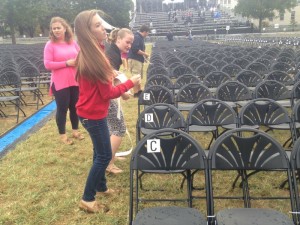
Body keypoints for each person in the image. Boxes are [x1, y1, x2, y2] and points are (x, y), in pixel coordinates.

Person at [74, 10, 141, 213]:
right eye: (96, 25)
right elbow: (108, 94)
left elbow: (98, 86)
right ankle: (88, 198)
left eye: (101, 24)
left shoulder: (93, 53)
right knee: (103, 156)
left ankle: (101, 187)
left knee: (99, 151)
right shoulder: (95, 57)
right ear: (87, 32)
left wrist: (110, 74)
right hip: (92, 114)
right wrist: (130, 82)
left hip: (91, 112)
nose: (103, 28)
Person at [44, 17, 83, 145]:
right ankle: (63, 135)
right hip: (60, 83)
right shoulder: (50, 45)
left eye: (58, 28)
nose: (56, 30)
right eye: (54, 28)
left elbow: (81, 55)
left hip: (74, 80)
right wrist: (66, 63)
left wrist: (79, 61)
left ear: (65, 28)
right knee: (62, 109)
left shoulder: (72, 42)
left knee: (74, 107)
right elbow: (48, 64)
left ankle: (75, 131)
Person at [105, 28, 134, 174]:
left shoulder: (113, 51)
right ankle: (108, 163)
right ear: (118, 40)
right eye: (127, 42)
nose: (129, 45)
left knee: (112, 127)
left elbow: (112, 76)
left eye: (131, 43)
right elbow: (109, 78)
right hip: (103, 96)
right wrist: (124, 92)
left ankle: (111, 157)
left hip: (103, 94)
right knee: (119, 127)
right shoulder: (112, 54)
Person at [127, 24, 150, 98]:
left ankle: (139, 91)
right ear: (145, 31)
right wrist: (145, 54)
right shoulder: (137, 37)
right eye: (148, 32)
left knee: (138, 76)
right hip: (134, 59)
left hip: (138, 59)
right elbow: (135, 49)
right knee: (135, 76)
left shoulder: (140, 37)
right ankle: (136, 93)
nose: (148, 34)